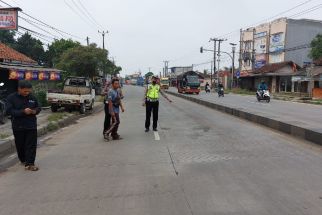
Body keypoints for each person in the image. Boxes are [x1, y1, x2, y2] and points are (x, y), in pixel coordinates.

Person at [6, 81, 41, 171]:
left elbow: (38, 107)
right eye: (25, 91)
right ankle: (23, 160)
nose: (27, 93)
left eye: (29, 91)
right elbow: (9, 111)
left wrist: (34, 111)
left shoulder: (32, 97)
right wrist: (23, 112)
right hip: (18, 126)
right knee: (20, 145)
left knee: (31, 145)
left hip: (31, 125)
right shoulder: (11, 98)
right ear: (19, 89)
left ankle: (30, 164)